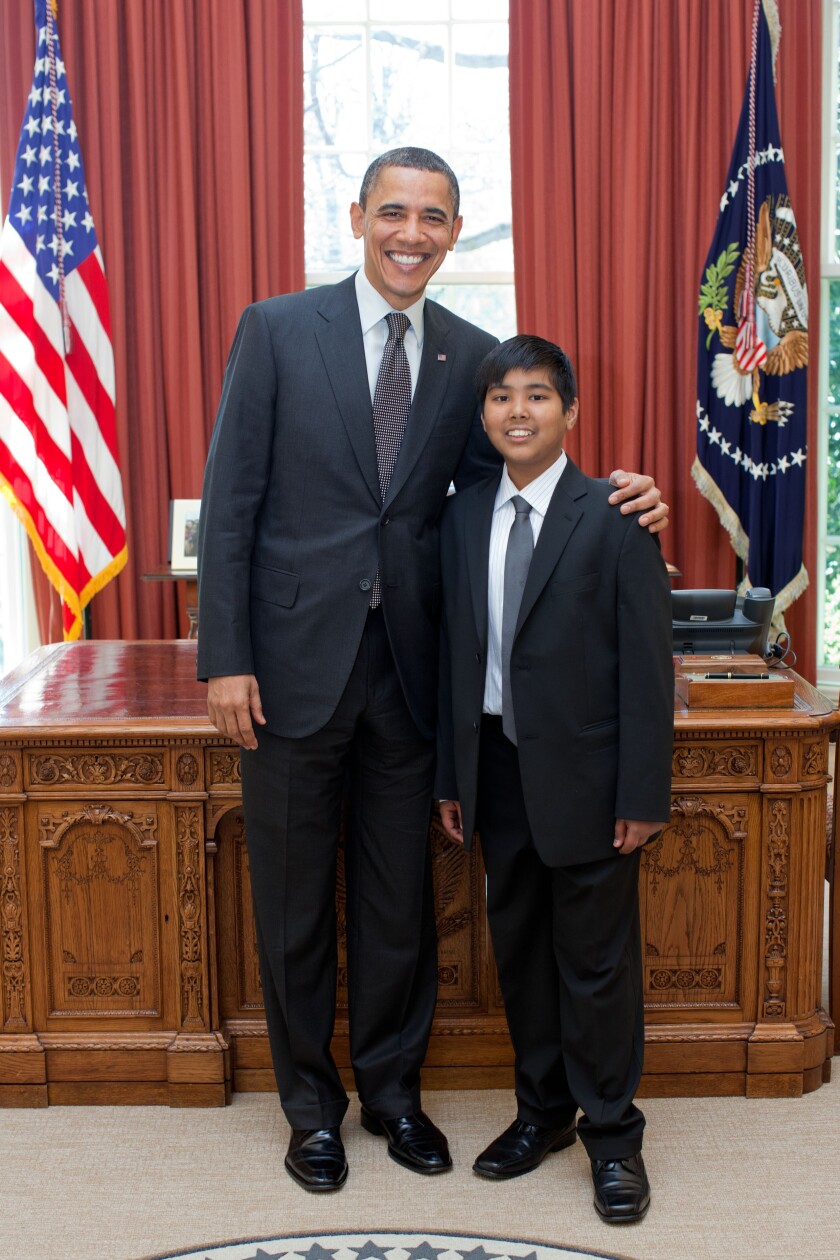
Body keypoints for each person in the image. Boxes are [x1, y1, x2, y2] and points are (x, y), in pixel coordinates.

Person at [197, 148, 668, 1193]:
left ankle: (394, 1097)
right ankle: (311, 1112)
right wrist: (223, 658)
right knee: (293, 906)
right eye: (394, 212)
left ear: (456, 232)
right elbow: (231, 501)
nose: (412, 233)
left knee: (397, 900)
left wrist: (621, 491)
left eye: (435, 218)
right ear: (359, 216)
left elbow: (505, 490)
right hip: (284, 674)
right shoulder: (277, 330)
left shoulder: (469, 355)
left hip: (415, 678)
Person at [436, 335, 673, 1224]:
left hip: (593, 777)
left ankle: (615, 1138)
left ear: (569, 412)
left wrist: (642, 795)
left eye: (538, 396)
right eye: (502, 397)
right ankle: (543, 1115)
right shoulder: (462, 516)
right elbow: (459, 661)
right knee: (522, 957)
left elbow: (649, 671)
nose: (519, 411)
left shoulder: (615, 514)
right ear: (485, 413)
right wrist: (453, 777)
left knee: (596, 964)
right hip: (495, 769)